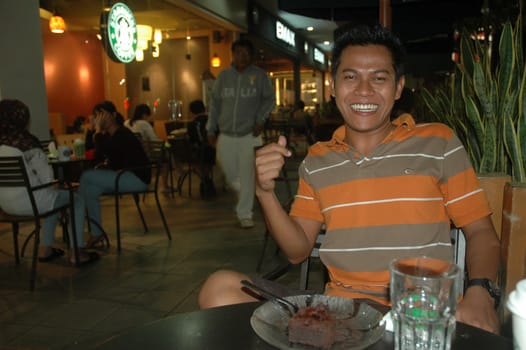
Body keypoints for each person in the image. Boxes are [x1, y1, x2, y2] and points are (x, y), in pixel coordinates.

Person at [198, 24, 501, 334]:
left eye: (379, 78)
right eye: (351, 76)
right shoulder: (318, 159)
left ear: (398, 87)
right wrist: (264, 193)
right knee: (219, 288)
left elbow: (481, 232)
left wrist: (481, 293)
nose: (364, 90)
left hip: (419, 314)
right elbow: (297, 250)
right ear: (332, 85)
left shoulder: (438, 142)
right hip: (340, 319)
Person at [0, 99, 99, 265]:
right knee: (76, 200)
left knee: (53, 199)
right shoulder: (26, 143)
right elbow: (47, 178)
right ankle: (76, 252)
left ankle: (45, 249)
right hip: (32, 202)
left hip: (5, 205)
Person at [206, 38, 276, 228]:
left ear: (251, 56)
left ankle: (245, 214)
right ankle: (240, 187)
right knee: (227, 169)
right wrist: (210, 128)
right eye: (238, 53)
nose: (242, 57)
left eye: (246, 53)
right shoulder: (223, 77)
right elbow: (215, 104)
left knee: (247, 174)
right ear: (233, 55)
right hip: (226, 134)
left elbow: (270, 100)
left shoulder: (259, 76)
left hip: (249, 135)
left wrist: (261, 120)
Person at [79, 101, 151, 247]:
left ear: (113, 115)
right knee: (91, 190)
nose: (101, 119)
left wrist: (98, 132)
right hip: (124, 176)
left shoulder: (122, 133)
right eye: (98, 116)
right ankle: (95, 232)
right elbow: (98, 156)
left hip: (136, 178)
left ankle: (77, 229)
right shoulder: (111, 136)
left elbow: (112, 157)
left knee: (86, 176)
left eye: (103, 115)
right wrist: (94, 131)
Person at [125, 103, 172, 193]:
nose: (148, 118)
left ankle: (178, 169)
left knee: (166, 153)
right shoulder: (144, 124)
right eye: (148, 116)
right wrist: (165, 143)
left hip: (129, 156)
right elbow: (154, 140)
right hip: (145, 155)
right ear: (144, 114)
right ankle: (165, 186)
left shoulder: (126, 123)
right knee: (165, 158)